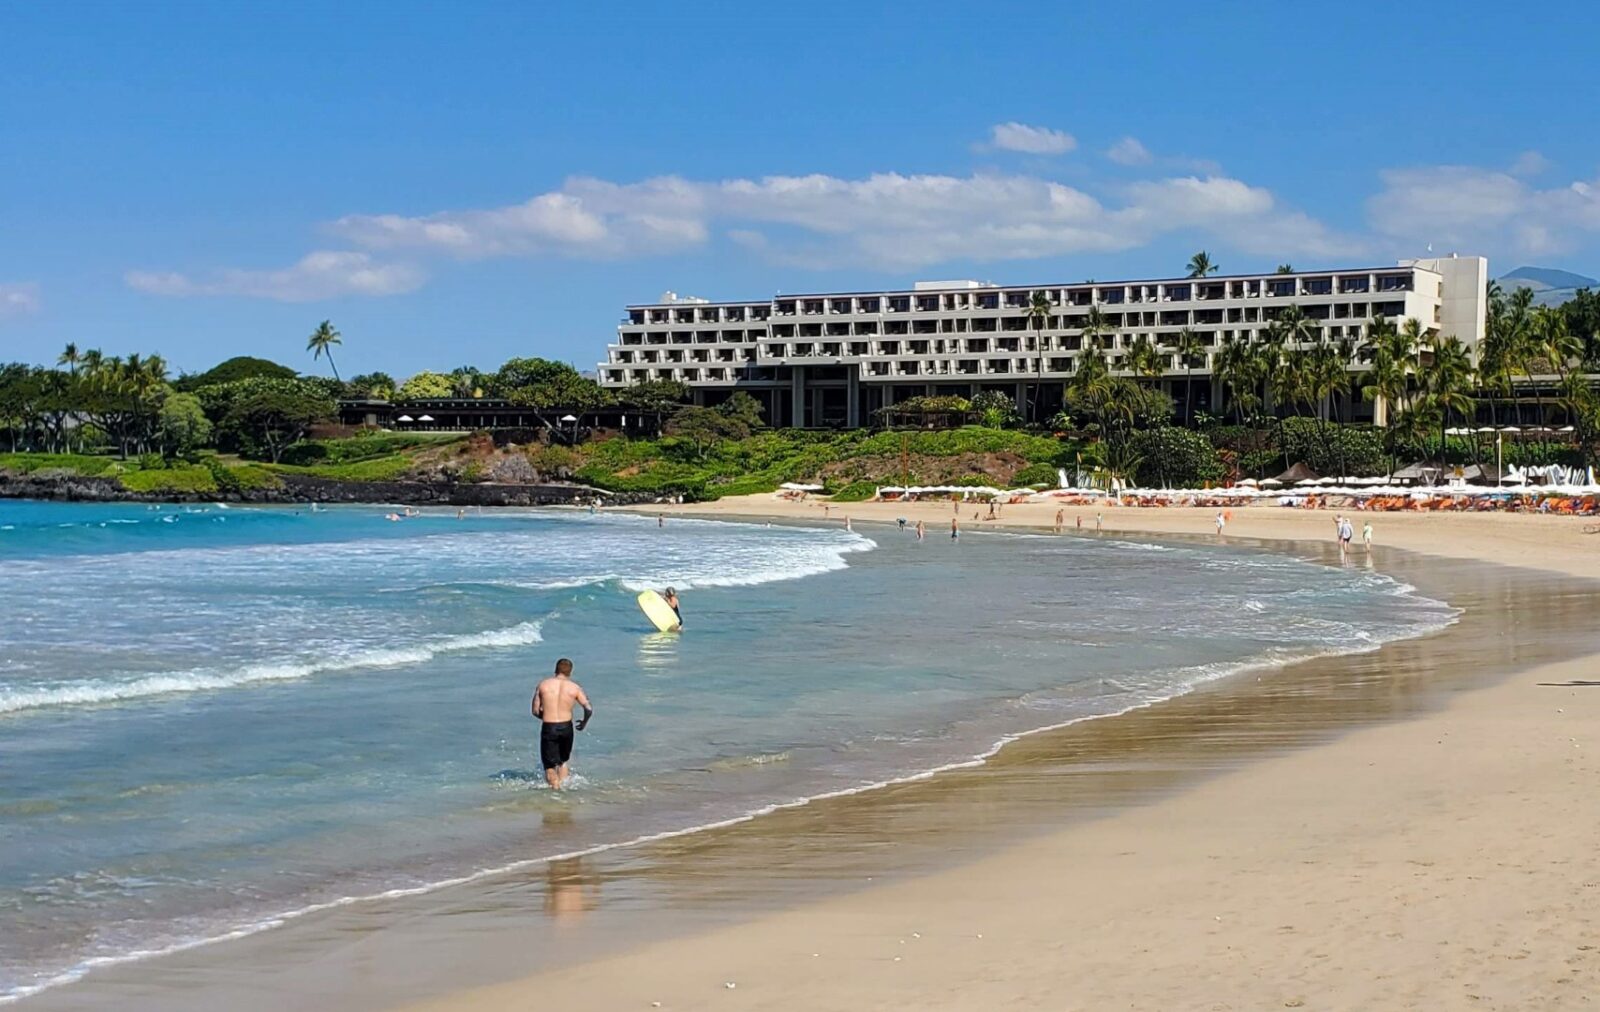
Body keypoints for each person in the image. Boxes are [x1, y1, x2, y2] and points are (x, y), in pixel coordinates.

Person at [532, 658, 593, 791]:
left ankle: (556, 791)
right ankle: (563, 788)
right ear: (570, 672)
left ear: (556, 669)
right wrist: (584, 722)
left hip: (549, 726)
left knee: (549, 766)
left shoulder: (543, 685)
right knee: (563, 761)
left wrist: (546, 717)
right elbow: (588, 708)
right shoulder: (575, 688)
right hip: (566, 727)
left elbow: (535, 711)